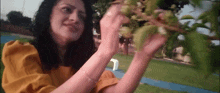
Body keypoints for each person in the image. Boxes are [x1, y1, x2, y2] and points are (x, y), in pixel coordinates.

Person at [1, 0, 167, 93]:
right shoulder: (21, 53)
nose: (75, 18)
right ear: (48, 14)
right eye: (66, 9)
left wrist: (143, 55)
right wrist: (104, 52)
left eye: (82, 16)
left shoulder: (85, 64)